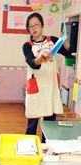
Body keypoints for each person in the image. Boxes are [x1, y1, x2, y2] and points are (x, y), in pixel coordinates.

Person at [22, 13, 73, 143]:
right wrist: (43, 57)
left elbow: (68, 51)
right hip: (36, 89)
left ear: (42, 25)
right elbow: (32, 62)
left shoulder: (52, 40)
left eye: (36, 25)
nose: (34, 28)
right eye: (31, 26)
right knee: (32, 124)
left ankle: (47, 151)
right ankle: (30, 149)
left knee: (49, 126)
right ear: (28, 29)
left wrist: (64, 39)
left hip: (51, 88)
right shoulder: (27, 45)